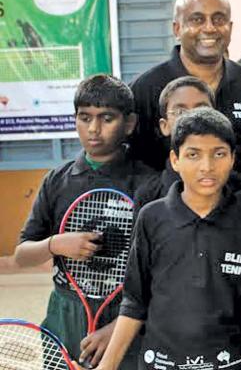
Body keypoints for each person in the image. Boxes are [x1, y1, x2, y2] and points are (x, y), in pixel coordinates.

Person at [92, 108, 241, 370]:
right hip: (161, 363)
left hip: (229, 364)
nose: (206, 166)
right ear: (175, 159)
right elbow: (134, 302)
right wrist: (106, 367)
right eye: (193, 155)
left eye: (218, 154)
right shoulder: (152, 217)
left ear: (232, 159)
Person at [13, 75, 155, 369]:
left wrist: (119, 326)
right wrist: (55, 244)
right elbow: (22, 256)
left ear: (128, 124)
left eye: (106, 118)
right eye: (84, 117)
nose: (93, 128)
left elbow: (162, 272)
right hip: (66, 312)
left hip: (125, 315)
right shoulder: (57, 180)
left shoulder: (148, 183)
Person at [129, 0, 241, 172]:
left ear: (230, 28)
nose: (209, 28)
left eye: (218, 19)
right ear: (177, 29)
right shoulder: (146, 88)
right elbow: (134, 160)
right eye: (197, 20)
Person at [137, 76, 215, 206]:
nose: (192, 118)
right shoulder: (148, 196)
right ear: (164, 126)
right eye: (180, 112)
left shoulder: (240, 190)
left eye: (201, 109)